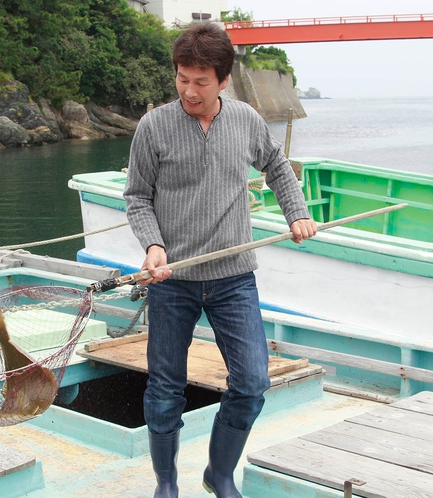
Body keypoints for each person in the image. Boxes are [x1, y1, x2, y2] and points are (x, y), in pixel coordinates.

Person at [123, 22, 317, 498]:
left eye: (200, 81)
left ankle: (219, 474)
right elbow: (136, 197)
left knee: (252, 382)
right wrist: (152, 246)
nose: (189, 90)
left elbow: (276, 167)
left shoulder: (247, 120)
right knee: (166, 389)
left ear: (224, 80)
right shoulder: (153, 127)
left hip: (233, 279)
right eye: (182, 78)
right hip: (173, 279)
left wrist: (298, 214)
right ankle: (166, 481)